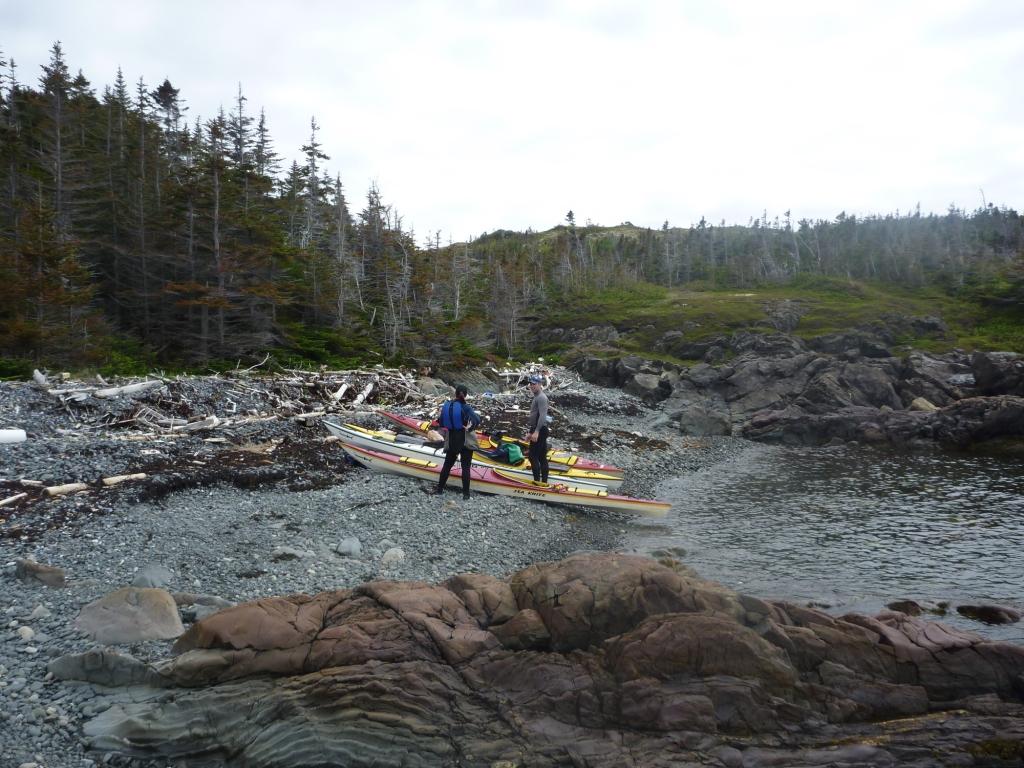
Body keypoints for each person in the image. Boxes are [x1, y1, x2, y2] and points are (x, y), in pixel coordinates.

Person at [430, 384, 481, 499]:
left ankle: (439, 489)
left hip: (452, 439)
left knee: (447, 465)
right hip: (465, 441)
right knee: (466, 468)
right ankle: (466, 495)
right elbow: (476, 421)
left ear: (455, 393)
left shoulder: (448, 406)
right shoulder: (467, 407)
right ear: (466, 395)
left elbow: (441, 422)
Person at [526, 374, 550, 483]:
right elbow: (535, 416)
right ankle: (543, 482)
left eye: (534, 384)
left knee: (532, 456)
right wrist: (530, 431)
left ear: (540, 384)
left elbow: (543, 416)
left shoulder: (542, 397)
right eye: (531, 384)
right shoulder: (536, 396)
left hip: (540, 430)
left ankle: (537, 482)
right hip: (537, 429)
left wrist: (536, 432)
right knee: (541, 456)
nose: (532, 386)